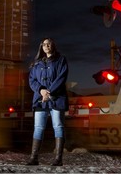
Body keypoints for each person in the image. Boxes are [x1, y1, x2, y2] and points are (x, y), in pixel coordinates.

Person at [26, 37, 69, 166]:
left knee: (58, 126)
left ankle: (58, 159)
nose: (46, 46)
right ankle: (34, 158)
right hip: (40, 100)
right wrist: (41, 91)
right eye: (44, 44)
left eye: (49, 44)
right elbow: (32, 80)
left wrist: (49, 92)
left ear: (53, 46)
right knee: (38, 127)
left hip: (57, 98)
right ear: (42, 47)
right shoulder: (36, 64)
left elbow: (62, 78)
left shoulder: (61, 60)